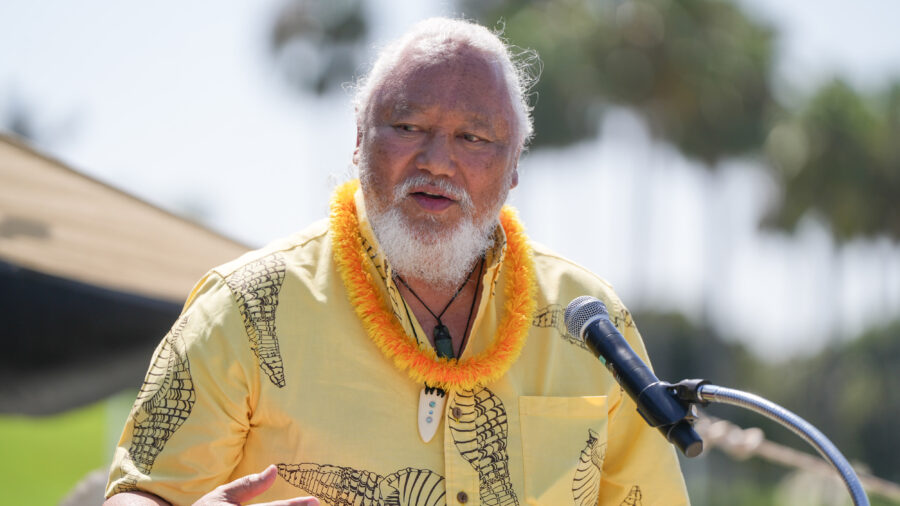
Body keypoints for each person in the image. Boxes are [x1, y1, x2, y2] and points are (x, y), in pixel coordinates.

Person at [105, 17, 689, 506]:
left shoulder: (589, 321)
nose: (437, 161)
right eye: (407, 127)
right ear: (359, 140)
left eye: (474, 138)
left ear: (514, 167)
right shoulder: (244, 307)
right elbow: (140, 492)